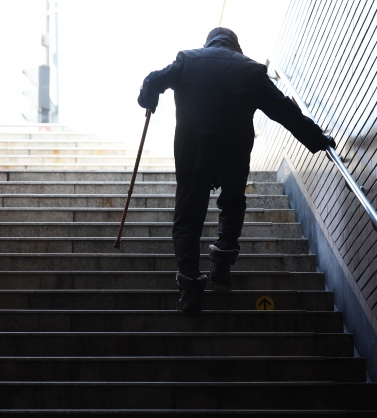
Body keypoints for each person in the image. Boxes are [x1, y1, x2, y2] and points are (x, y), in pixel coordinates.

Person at [137, 27, 334, 312]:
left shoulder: (188, 60)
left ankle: (191, 288)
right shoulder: (251, 71)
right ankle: (221, 263)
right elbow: (285, 112)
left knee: (188, 219)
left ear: (208, 43)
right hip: (233, 150)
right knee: (232, 202)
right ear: (235, 47)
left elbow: (153, 79)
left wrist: (148, 98)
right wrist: (318, 140)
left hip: (194, 150)